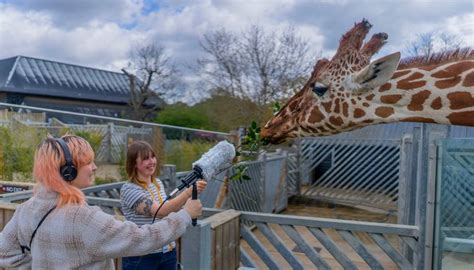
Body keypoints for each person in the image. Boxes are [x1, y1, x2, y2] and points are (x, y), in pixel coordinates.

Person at [0, 135, 202, 269]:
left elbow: (5, 253)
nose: (95, 167)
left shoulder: (26, 209)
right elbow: (142, 238)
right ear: (67, 171)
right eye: (88, 162)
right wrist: (184, 215)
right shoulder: (84, 218)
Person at [120, 140, 207, 270]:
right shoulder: (129, 189)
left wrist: (186, 206)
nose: (152, 161)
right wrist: (188, 192)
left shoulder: (157, 183)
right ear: (134, 164)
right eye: (145, 159)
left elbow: (169, 209)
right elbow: (160, 211)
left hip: (168, 250)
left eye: (152, 157)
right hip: (142, 255)